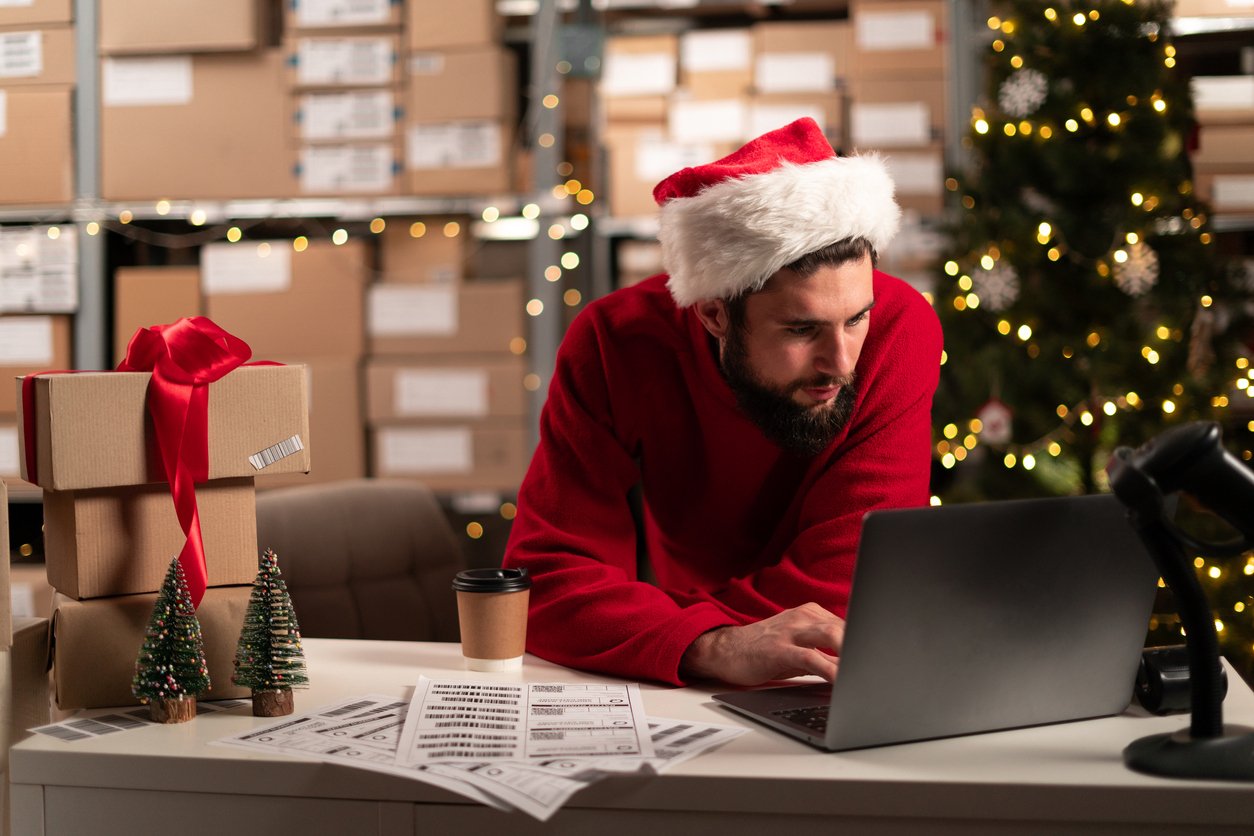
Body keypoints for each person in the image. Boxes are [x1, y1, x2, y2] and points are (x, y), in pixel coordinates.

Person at [502, 118, 943, 687]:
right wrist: (714, 645)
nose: (841, 361)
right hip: (689, 674)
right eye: (802, 329)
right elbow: (546, 579)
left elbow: (855, 582)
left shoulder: (901, 328)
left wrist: (664, 632)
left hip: (835, 669)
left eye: (855, 318)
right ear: (713, 314)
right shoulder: (614, 343)